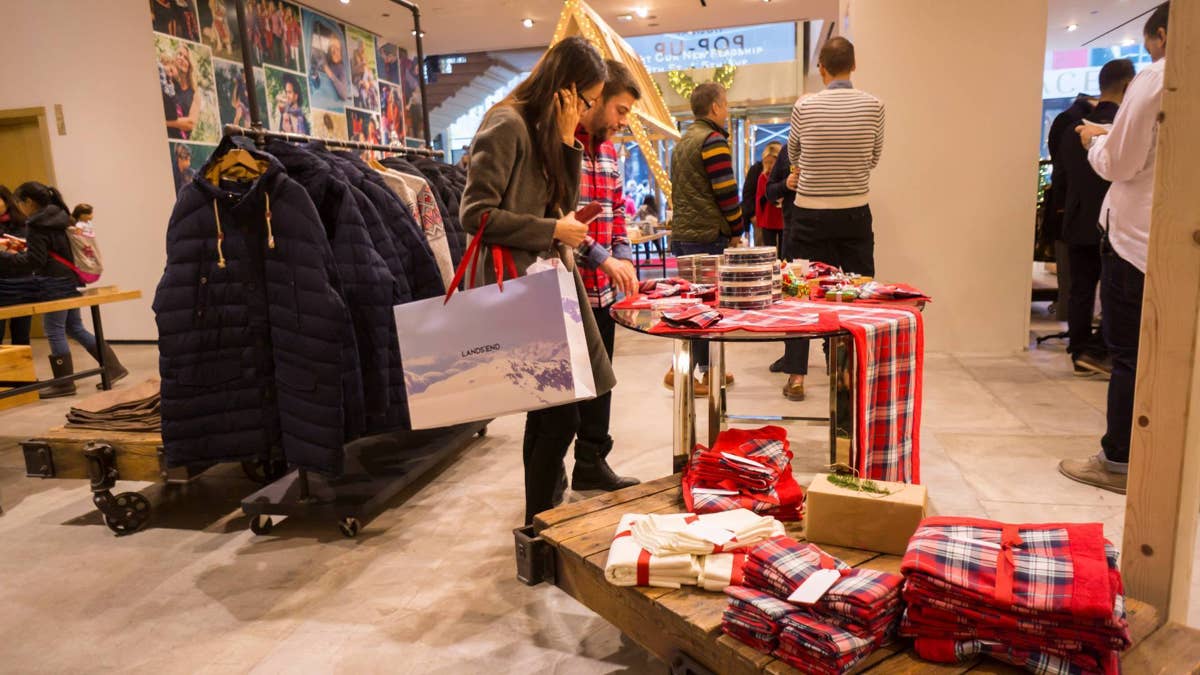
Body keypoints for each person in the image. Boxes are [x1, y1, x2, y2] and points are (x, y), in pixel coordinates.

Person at [460, 37, 613, 525]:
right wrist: (551, 231)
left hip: (546, 284)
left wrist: (567, 141)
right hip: (521, 287)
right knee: (559, 415)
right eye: (587, 100)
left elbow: (562, 204)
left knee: (551, 412)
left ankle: (539, 523)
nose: (588, 111)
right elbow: (475, 214)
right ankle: (539, 524)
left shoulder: (546, 130)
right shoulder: (507, 124)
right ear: (565, 89)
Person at [1059, 3, 1169, 495]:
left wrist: (1095, 142)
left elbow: (1120, 164)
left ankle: (1119, 459)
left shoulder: (1157, 78)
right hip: (1172, 238)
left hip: (1137, 238)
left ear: (1161, 34)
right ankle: (1163, 457)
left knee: (1129, 354)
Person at [779, 36, 885, 402]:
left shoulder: (804, 106)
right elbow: (874, 157)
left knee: (800, 293)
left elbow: (794, 155)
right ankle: (846, 372)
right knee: (856, 292)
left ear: (821, 67)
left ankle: (796, 375)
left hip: (809, 212)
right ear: (853, 66)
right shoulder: (875, 106)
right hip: (855, 211)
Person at [571, 59, 643, 492]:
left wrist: (623, 257)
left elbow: (616, 215)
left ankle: (592, 461)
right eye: (620, 109)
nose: (622, 120)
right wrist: (603, 259)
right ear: (596, 100)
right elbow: (560, 222)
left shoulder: (611, 154)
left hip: (603, 293)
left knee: (602, 381)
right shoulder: (564, 147)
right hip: (568, 289)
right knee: (563, 394)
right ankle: (551, 480)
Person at [0, 182, 127, 396]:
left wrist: (5, 256)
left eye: (19, 203)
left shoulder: (37, 223)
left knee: (54, 329)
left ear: (28, 202)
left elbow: (35, 261)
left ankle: (64, 383)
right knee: (74, 327)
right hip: (68, 279)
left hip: (51, 283)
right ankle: (113, 367)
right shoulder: (61, 216)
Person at [1057, 58, 1136, 377]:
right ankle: (1102, 350)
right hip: (1114, 224)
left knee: (1080, 288)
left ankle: (1079, 351)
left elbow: (1062, 177)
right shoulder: (1123, 131)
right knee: (1113, 291)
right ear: (1128, 85)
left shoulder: (1072, 129)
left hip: (1078, 220)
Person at [665, 82, 743, 396]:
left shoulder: (683, 142)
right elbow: (726, 192)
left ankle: (703, 370)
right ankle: (686, 372)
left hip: (684, 235)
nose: (728, 110)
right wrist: (737, 228)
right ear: (714, 107)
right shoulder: (713, 140)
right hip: (708, 237)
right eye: (726, 104)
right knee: (708, 309)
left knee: (692, 306)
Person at [0, 185, 32, 346]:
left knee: (21, 335)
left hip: (22, 283)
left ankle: (23, 363)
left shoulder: (23, 223)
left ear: (6, 201)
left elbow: (28, 254)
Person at [166, 46, 200, 140]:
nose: (181, 58)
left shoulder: (195, 94)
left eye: (186, 58)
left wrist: (165, 122)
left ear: (190, 66)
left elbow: (190, 123)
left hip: (180, 141)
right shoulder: (167, 82)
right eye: (179, 54)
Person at [755, 143, 784, 251]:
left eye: (771, 162)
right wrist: (759, 220)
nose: (769, 166)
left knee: (783, 252)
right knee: (769, 250)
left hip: (782, 218)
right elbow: (759, 200)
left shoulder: (784, 177)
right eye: (766, 162)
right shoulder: (762, 177)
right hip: (768, 219)